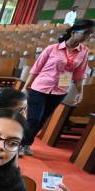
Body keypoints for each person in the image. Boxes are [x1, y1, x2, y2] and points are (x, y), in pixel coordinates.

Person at [21, 19, 92, 156]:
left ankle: (26, 143)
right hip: (40, 87)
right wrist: (25, 86)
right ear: (73, 32)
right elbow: (36, 68)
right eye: (85, 33)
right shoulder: (52, 48)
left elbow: (79, 74)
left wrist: (80, 92)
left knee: (42, 120)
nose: (87, 37)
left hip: (60, 90)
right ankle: (21, 143)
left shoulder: (83, 52)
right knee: (34, 118)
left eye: (89, 34)